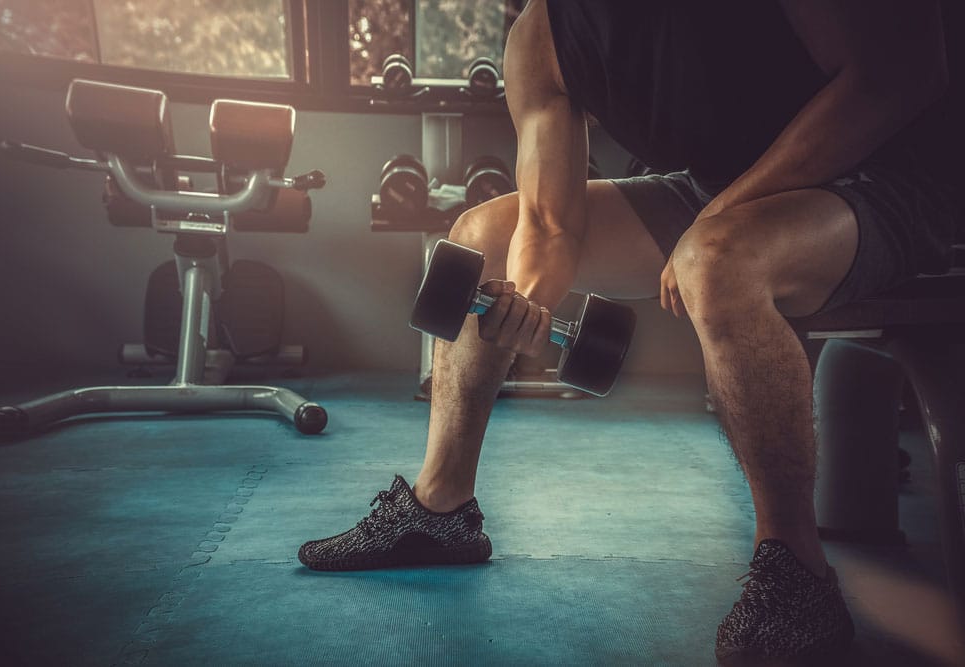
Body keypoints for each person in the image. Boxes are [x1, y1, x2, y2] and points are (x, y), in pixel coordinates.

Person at [300, 0, 960, 662]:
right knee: (483, 240)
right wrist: (525, 303)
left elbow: (899, 77)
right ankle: (437, 510)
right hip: (718, 193)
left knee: (715, 260)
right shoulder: (541, 39)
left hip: (883, 178)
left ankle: (797, 573)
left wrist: (720, 214)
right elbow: (550, 223)